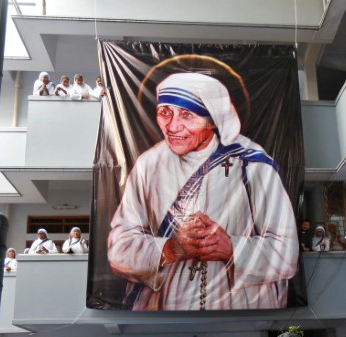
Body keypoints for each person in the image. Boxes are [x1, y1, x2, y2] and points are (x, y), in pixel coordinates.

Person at [107, 72, 299, 311]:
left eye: (187, 114)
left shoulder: (253, 164)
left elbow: (287, 252)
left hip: (240, 309)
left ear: (212, 120)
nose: (172, 126)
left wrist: (230, 247)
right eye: (165, 112)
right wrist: (170, 249)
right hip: (167, 310)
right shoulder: (148, 165)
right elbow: (118, 248)